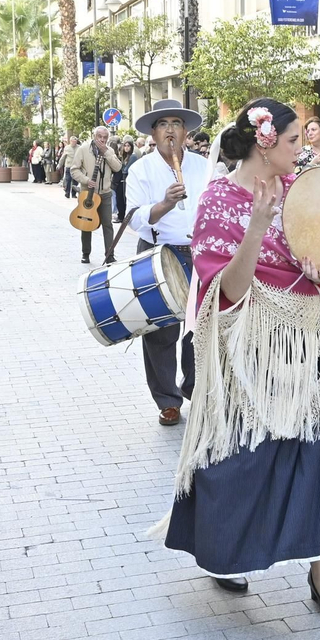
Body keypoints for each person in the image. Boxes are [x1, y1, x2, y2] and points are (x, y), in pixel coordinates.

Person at [154, 99, 320, 621]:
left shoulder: (303, 190)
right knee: (242, 452)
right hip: (249, 346)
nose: (301, 149)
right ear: (265, 142)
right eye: (291, 141)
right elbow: (226, 290)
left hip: (306, 337)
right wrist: (258, 227)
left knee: (316, 443)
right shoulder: (219, 199)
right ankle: (225, 549)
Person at [126, 99, 211, 427]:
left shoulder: (202, 166)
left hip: (199, 254)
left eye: (177, 123)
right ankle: (167, 400)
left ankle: (194, 389)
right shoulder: (140, 169)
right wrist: (164, 204)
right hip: (158, 253)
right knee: (160, 332)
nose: (171, 130)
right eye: (164, 124)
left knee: (198, 329)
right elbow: (134, 218)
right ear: (153, 132)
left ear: (186, 132)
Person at [68, 126, 124, 266]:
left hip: (105, 193)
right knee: (86, 223)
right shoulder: (83, 149)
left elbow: (118, 168)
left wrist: (107, 153)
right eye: (100, 136)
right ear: (94, 136)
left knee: (107, 224)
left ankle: (109, 255)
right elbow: (74, 170)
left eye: (105, 137)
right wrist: (87, 180)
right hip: (88, 193)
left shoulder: (109, 151)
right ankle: (85, 253)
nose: (102, 140)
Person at [113, 137, 136, 224]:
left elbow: (125, 169)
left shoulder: (133, 156)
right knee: (119, 199)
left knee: (124, 199)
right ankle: (121, 216)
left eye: (128, 146)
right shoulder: (123, 156)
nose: (126, 147)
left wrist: (121, 168)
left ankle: (124, 216)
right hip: (121, 180)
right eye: (125, 146)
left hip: (127, 181)